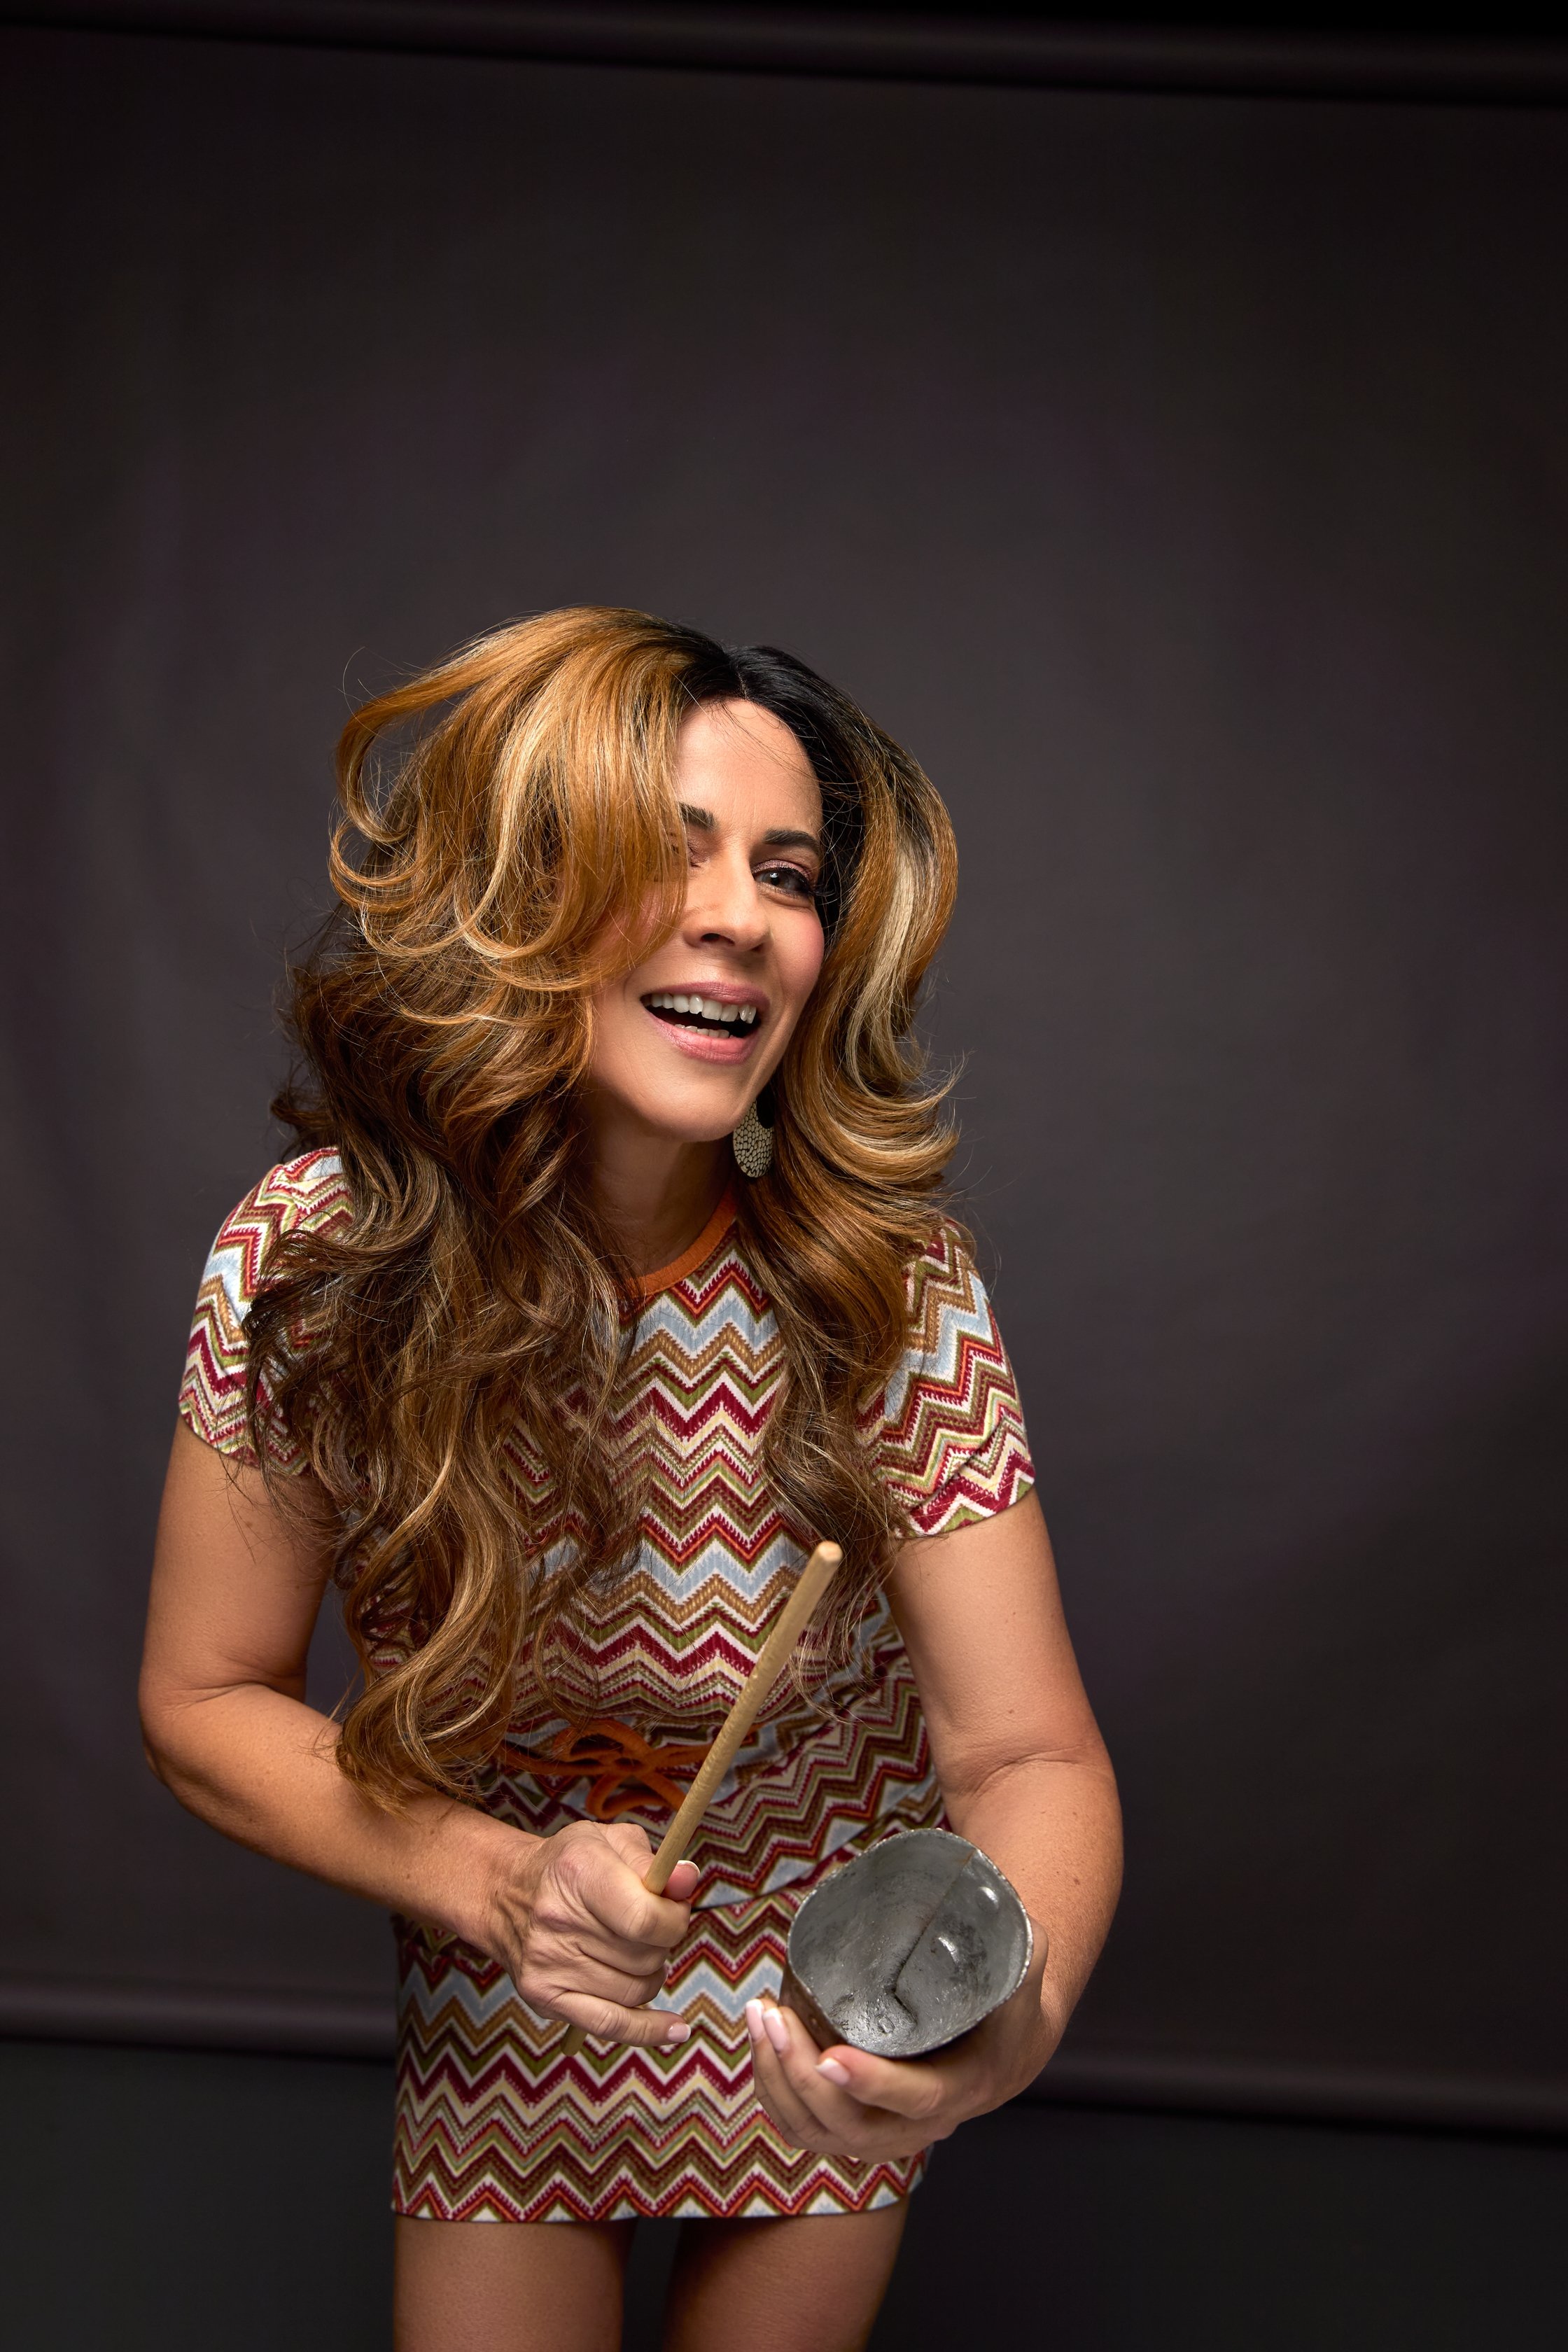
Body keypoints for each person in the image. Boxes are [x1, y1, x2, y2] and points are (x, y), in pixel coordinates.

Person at [139, 607, 1122, 2352]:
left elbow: (1026, 1751)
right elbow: (203, 1701)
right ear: (512, 891)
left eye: (790, 872)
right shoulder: (302, 1268)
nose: (746, 916)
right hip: (517, 1977)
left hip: (831, 2005)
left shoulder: (887, 1283)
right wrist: (493, 1882)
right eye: (668, 853)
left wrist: (989, 2038)